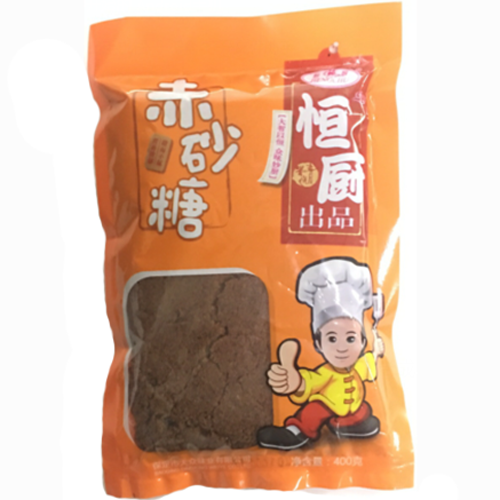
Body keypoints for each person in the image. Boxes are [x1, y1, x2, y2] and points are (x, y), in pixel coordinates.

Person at [257, 257, 385, 450]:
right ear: (318, 343)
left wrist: (376, 352)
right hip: (327, 405)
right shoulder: (325, 374)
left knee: (362, 409)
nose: (341, 347)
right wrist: (296, 383)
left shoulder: (358, 366)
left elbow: (369, 365)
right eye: (332, 339)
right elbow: (309, 382)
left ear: (362, 341)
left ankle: (349, 424)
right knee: (313, 412)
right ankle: (296, 431)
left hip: (350, 409)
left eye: (350, 338)